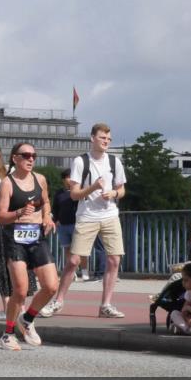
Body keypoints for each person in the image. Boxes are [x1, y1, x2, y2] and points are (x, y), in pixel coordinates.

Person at [54, 123, 128, 318]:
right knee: (74, 260)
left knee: (114, 259)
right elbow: (75, 195)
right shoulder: (80, 162)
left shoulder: (114, 161)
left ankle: (106, 305)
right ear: (93, 138)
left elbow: (122, 189)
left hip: (110, 214)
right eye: (103, 138)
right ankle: (58, 301)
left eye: (109, 139)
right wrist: (94, 187)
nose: (106, 142)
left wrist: (114, 193)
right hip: (87, 216)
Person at [0, 142, 59, 351]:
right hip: (15, 237)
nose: (31, 159)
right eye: (26, 155)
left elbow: (46, 201)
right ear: (15, 158)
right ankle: (8, 333)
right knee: (21, 291)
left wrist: (48, 217)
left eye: (34, 155)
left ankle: (28, 318)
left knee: (51, 286)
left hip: (37, 237)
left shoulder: (40, 179)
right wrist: (19, 213)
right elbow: (0, 217)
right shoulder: (7, 183)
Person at [0, 141, 36, 320]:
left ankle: (8, 308)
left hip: (1, 221)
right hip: (20, 220)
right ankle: (21, 306)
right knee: (22, 261)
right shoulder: (11, 172)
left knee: (3, 261)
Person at [42, 168, 79, 316]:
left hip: (76, 224)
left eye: (71, 177)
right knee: (67, 249)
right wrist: (54, 221)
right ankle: (71, 272)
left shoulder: (78, 192)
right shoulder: (59, 193)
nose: (69, 180)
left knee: (78, 253)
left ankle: (84, 272)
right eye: (67, 177)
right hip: (63, 224)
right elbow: (55, 208)